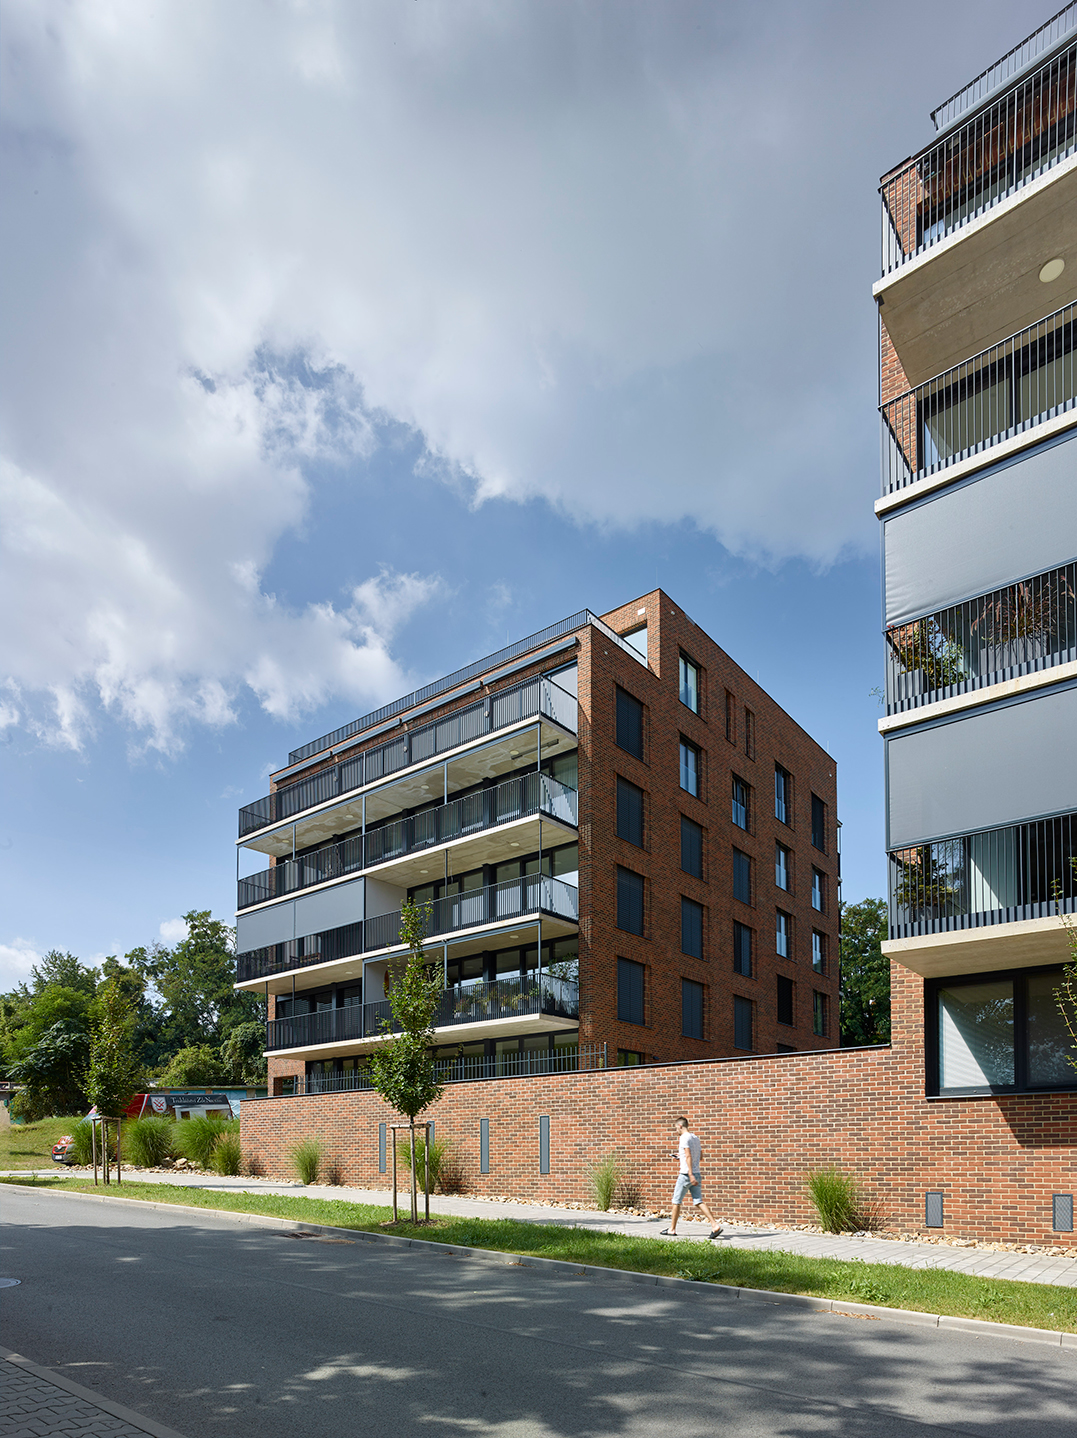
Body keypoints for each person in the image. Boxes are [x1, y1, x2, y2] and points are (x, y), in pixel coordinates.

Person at [659, 1116, 722, 1239]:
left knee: (676, 1201)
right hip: (697, 1174)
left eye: (676, 1127)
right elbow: (699, 1156)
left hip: (686, 1174)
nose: (676, 1130)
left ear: (680, 1126)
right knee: (698, 1201)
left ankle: (672, 1229)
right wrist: (680, 1156)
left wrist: (690, 1173)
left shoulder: (683, 1138)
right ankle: (714, 1225)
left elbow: (688, 1156)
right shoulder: (695, 1138)